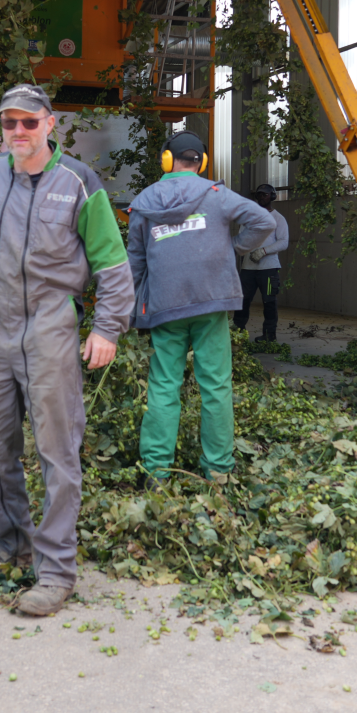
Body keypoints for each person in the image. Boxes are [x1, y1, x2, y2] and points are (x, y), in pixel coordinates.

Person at [0, 82, 133, 616]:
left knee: (56, 452)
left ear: (50, 124)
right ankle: (11, 543)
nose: (18, 132)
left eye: (28, 122)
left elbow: (111, 262)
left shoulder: (79, 182)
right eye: (9, 122)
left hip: (50, 330)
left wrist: (107, 328)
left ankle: (55, 571)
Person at [129, 132, 275, 482]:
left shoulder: (144, 200)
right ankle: (218, 471)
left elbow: (135, 260)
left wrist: (133, 308)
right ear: (203, 163)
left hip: (165, 305)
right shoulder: (217, 196)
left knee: (164, 384)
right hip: (212, 302)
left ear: (166, 160)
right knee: (215, 384)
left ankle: (156, 471)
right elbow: (265, 222)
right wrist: (236, 247)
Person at [233, 182, 289, 343]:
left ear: (272, 196)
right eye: (258, 195)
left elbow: (284, 242)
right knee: (242, 301)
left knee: (269, 302)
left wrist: (263, 251)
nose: (261, 197)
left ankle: (269, 335)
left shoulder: (278, 219)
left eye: (264, 194)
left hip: (269, 269)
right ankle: (238, 334)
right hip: (248, 269)